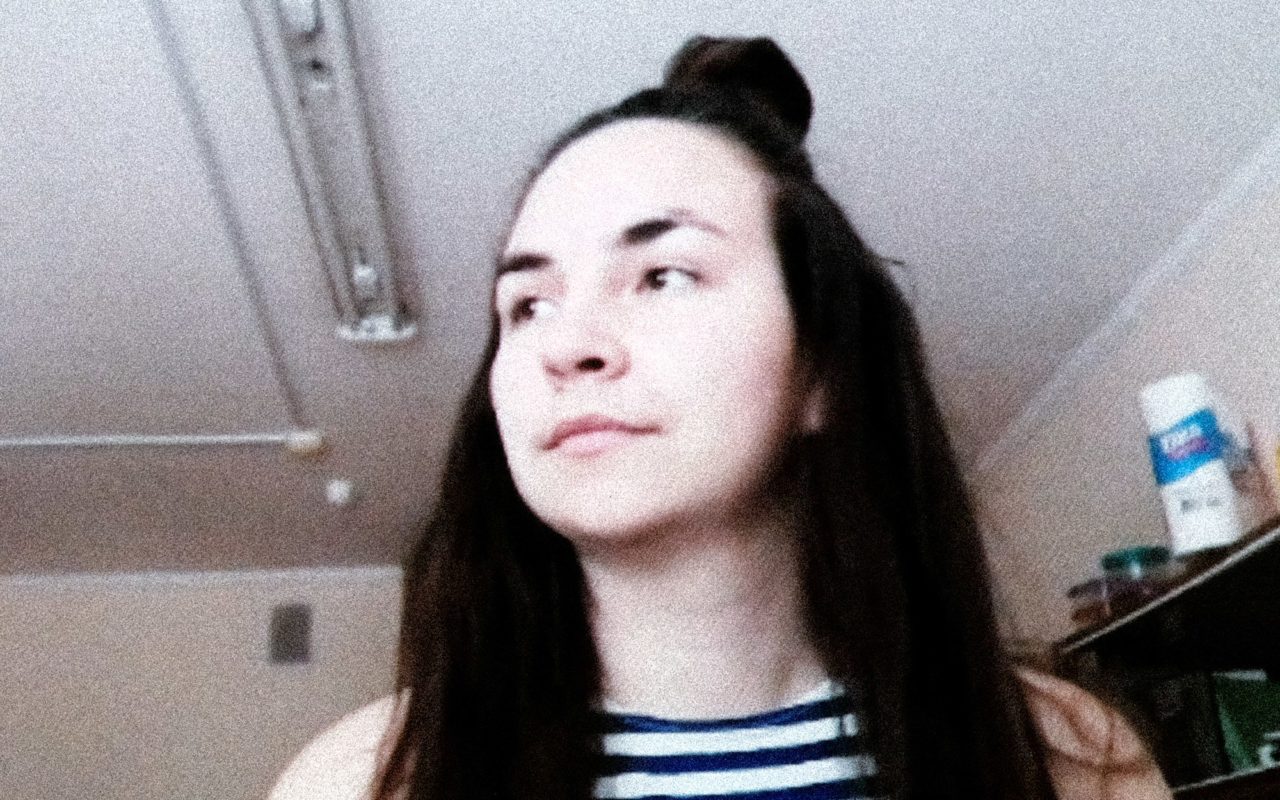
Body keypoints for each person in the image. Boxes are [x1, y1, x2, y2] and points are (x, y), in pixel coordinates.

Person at [270, 36, 1174, 800]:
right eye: (528, 304)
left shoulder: (1070, 761)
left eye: (663, 276)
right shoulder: (361, 782)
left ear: (822, 368)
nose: (566, 344)